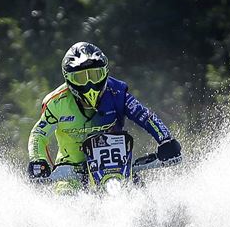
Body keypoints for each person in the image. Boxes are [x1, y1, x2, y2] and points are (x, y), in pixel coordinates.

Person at [27, 42, 181, 185]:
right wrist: (38, 160)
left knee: (143, 199)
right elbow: (38, 134)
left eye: (95, 75)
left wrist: (165, 139)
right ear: (69, 80)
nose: (90, 85)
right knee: (64, 198)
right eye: (81, 78)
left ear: (105, 73)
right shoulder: (56, 102)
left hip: (118, 171)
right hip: (71, 171)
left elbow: (145, 116)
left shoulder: (118, 92)